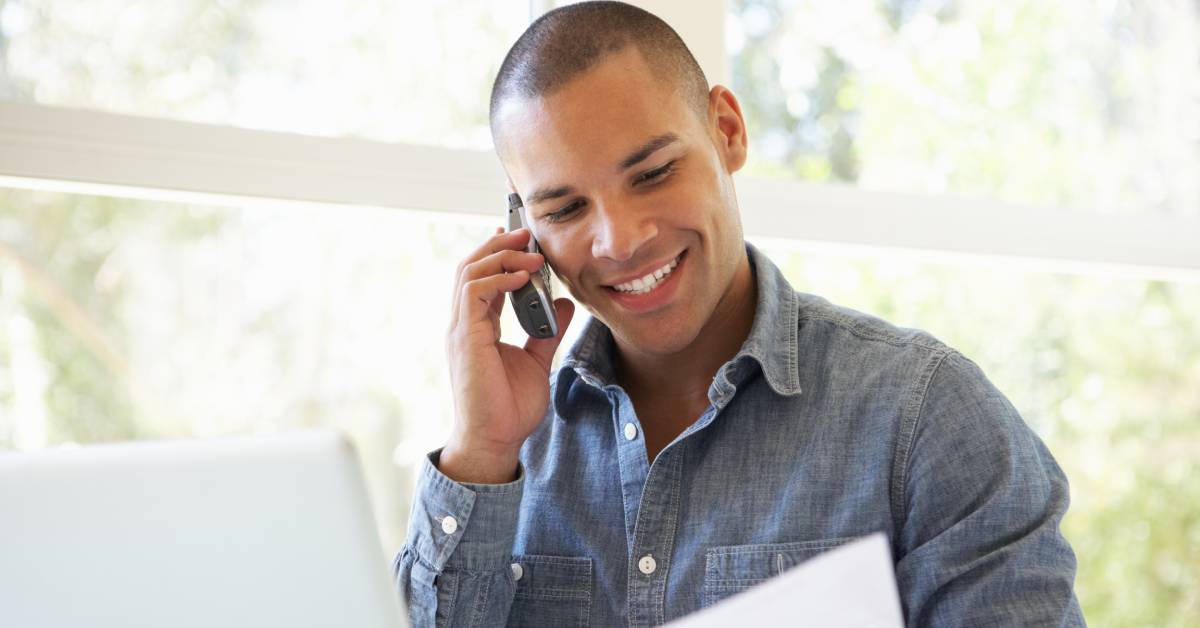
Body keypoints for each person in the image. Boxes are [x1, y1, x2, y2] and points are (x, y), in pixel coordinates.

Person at [394, 2, 1085, 626]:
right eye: (566, 209)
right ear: (521, 226)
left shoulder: (926, 419)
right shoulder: (505, 451)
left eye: (654, 173)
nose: (622, 240)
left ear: (726, 130)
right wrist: (479, 456)